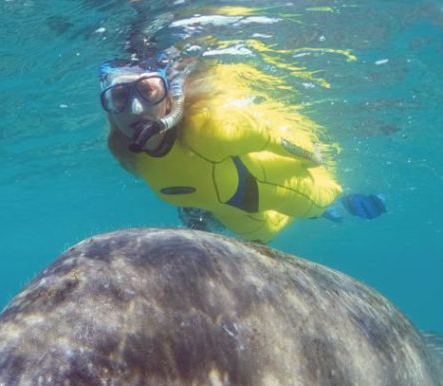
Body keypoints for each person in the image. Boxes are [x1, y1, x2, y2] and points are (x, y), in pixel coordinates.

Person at [100, 50, 385, 244]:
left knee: (316, 204)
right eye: (120, 97)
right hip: (233, 212)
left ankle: (340, 200)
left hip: (269, 186)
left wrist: (313, 156)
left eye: (149, 91)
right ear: (109, 109)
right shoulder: (125, 152)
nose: (135, 109)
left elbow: (275, 138)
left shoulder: (212, 130)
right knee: (262, 237)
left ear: (169, 95)